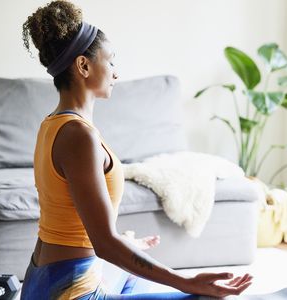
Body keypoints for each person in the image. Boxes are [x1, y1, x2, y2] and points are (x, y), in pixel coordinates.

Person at [20, 1, 253, 299]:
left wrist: (124, 244)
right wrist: (187, 282)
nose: (116, 73)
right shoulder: (79, 135)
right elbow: (104, 244)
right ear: (84, 66)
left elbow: (78, 229)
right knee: (204, 296)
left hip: (44, 280)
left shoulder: (52, 124)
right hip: (68, 291)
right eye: (111, 61)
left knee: (136, 277)